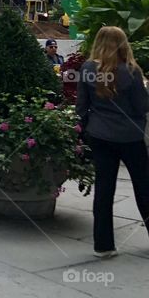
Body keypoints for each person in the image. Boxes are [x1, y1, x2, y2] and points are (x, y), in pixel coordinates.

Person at [76, 26, 149, 258]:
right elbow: (142, 106)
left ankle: (103, 245)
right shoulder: (131, 71)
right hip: (130, 136)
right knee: (144, 188)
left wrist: (90, 126)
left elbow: (81, 107)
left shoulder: (88, 69)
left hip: (100, 135)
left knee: (104, 189)